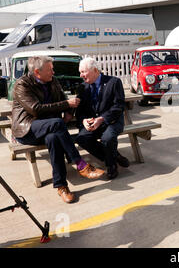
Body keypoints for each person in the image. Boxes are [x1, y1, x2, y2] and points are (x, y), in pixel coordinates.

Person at [12, 56, 105, 204]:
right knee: (56, 124)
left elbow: (66, 102)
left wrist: (69, 113)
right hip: (28, 129)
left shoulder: (53, 81)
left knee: (53, 139)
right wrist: (66, 105)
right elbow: (35, 109)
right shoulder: (22, 85)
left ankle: (61, 186)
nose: (53, 72)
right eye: (50, 70)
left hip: (50, 128)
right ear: (37, 72)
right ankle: (80, 164)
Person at [75, 57, 129, 180]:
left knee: (107, 138)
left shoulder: (114, 82)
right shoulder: (82, 88)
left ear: (95, 70)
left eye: (83, 72)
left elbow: (119, 106)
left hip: (112, 121)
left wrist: (102, 119)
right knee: (82, 138)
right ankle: (114, 156)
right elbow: (80, 112)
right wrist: (84, 121)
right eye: (80, 72)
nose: (81, 75)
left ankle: (111, 165)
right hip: (93, 123)